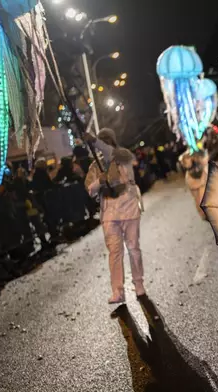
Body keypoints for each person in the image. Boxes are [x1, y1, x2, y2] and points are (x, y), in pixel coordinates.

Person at [83, 129, 145, 304]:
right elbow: (89, 190)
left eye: (106, 140)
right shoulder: (95, 165)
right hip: (109, 211)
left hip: (129, 206)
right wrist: (99, 182)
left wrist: (94, 140)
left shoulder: (123, 155)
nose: (103, 143)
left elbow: (108, 151)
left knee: (133, 248)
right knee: (115, 252)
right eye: (101, 140)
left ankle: (138, 284)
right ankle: (117, 291)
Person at [179, 149, 209, 219]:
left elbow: (204, 162)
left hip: (200, 180)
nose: (189, 159)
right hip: (195, 182)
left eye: (189, 157)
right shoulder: (188, 174)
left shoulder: (196, 162)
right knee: (198, 198)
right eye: (187, 158)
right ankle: (204, 214)